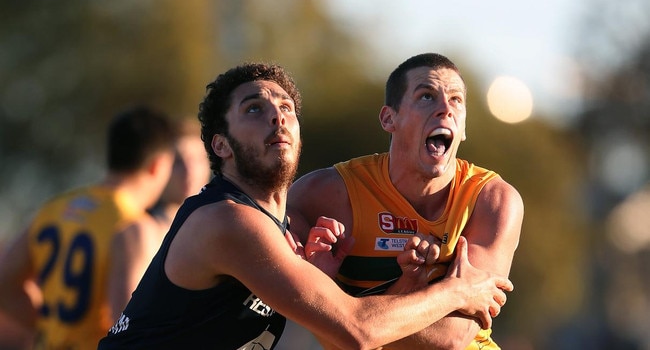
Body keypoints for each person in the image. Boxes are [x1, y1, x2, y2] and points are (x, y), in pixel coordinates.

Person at [98, 62, 513, 350]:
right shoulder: (229, 221)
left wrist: (382, 285)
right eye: (255, 109)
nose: (277, 118)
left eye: (286, 108)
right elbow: (358, 329)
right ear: (220, 145)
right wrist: (460, 289)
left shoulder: (280, 230)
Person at [288, 53, 524, 349]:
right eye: (427, 96)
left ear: (463, 129)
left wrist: (333, 304)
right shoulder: (324, 194)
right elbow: (284, 302)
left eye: (456, 100)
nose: (445, 110)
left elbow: (451, 337)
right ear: (389, 118)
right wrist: (456, 291)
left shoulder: (492, 199)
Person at [0, 106, 176, 349]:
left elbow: (5, 281)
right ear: (158, 165)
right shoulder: (134, 226)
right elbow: (129, 325)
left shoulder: (55, 208)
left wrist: (51, 327)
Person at [108, 119, 212, 318]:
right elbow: (124, 325)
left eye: (198, 159)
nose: (190, 171)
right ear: (159, 165)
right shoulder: (140, 232)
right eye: (178, 162)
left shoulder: (216, 229)